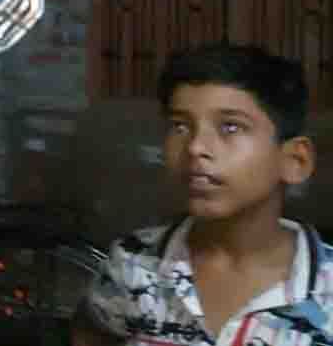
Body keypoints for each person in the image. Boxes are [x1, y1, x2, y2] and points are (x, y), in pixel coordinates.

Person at [72, 44, 331, 346]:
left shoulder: (327, 289)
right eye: (180, 126)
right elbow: (91, 332)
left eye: (230, 127)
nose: (195, 147)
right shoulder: (132, 264)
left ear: (294, 160)